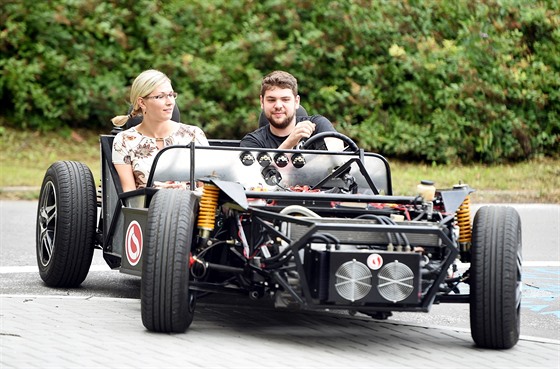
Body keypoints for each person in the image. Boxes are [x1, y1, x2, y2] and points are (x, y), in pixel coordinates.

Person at [111, 69, 208, 192]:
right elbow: (128, 193)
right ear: (142, 102)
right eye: (160, 96)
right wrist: (157, 192)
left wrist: (185, 191)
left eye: (171, 95)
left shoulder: (194, 134)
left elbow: (207, 189)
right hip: (147, 209)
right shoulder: (124, 141)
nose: (170, 102)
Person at [240, 70, 342, 150]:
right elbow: (258, 175)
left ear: (296, 102)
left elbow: (339, 158)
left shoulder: (317, 125)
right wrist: (290, 142)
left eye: (285, 99)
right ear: (262, 102)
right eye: (271, 100)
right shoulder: (252, 142)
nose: (278, 105)